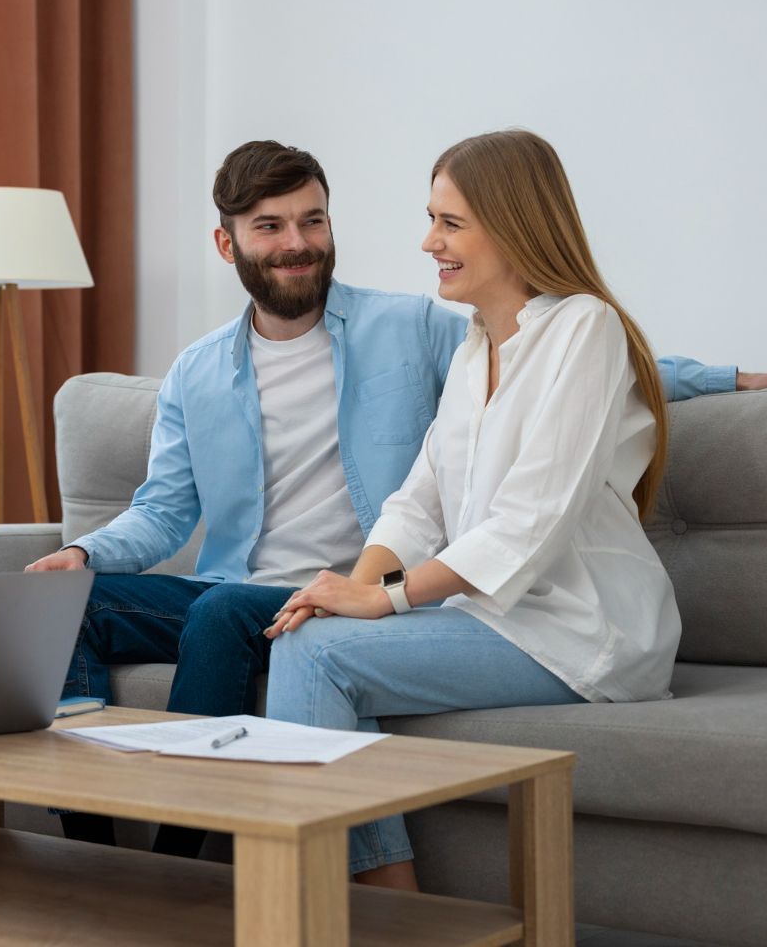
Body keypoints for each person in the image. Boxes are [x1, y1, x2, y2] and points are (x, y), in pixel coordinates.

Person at [27, 139, 767, 857]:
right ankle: (98, 836)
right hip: (286, 591)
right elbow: (176, 510)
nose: (298, 241)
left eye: (313, 220)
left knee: (249, 624)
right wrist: (83, 551)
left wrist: (719, 377)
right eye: (270, 227)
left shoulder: (416, 327)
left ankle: (199, 861)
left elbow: (563, 377)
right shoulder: (199, 373)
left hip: (429, 598)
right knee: (79, 602)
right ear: (228, 246)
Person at [263, 128, 690, 891]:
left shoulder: (584, 329)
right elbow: (418, 501)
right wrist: (350, 593)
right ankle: (393, 913)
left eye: (450, 223)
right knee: (316, 640)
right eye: (431, 219)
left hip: (580, 628)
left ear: (516, 225)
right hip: (496, 620)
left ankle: (336, 916)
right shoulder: (473, 347)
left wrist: (383, 601)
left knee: (316, 656)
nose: (429, 241)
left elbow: (528, 523)